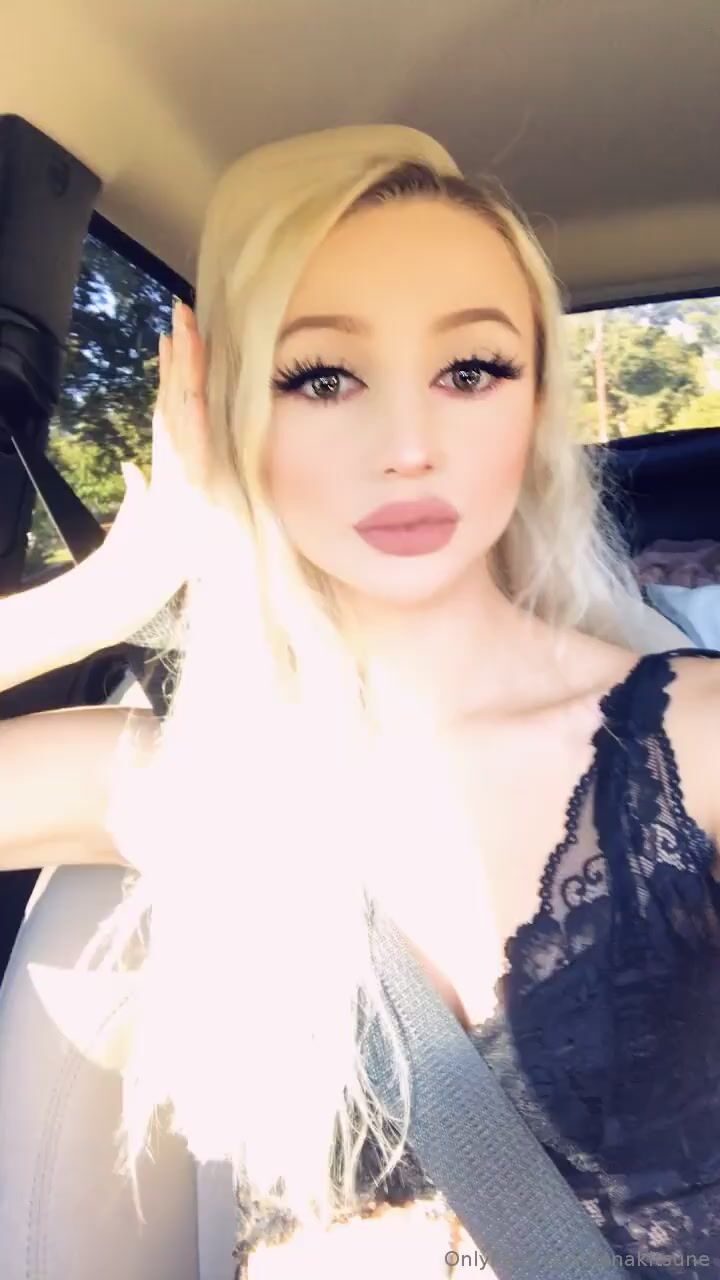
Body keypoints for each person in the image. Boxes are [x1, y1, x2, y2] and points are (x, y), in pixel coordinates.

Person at [0, 123, 719, 1280]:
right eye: (321, 376)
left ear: (535, 402)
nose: (409, 445)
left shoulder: (695, 735)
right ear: (227, 411)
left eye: (471, 370)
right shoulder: (179, 779)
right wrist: (116, 585)